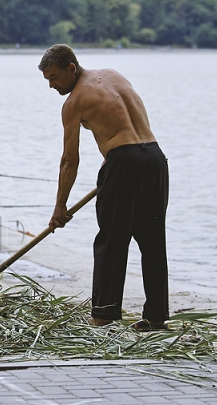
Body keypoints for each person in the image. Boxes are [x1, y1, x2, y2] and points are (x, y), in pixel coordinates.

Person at [39, 44, 169, 331]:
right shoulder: (113, 75)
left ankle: (104, 315)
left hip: (125, 162)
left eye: (55, 77)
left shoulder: (74, 102)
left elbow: (69, 159)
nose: (52, 85)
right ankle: (157, 316)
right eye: (47, 79)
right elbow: (119, 122)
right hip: (154, 158)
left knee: (111, 239)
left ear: (71, 68)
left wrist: (60, 206)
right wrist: (115, 157)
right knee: (152, 240)